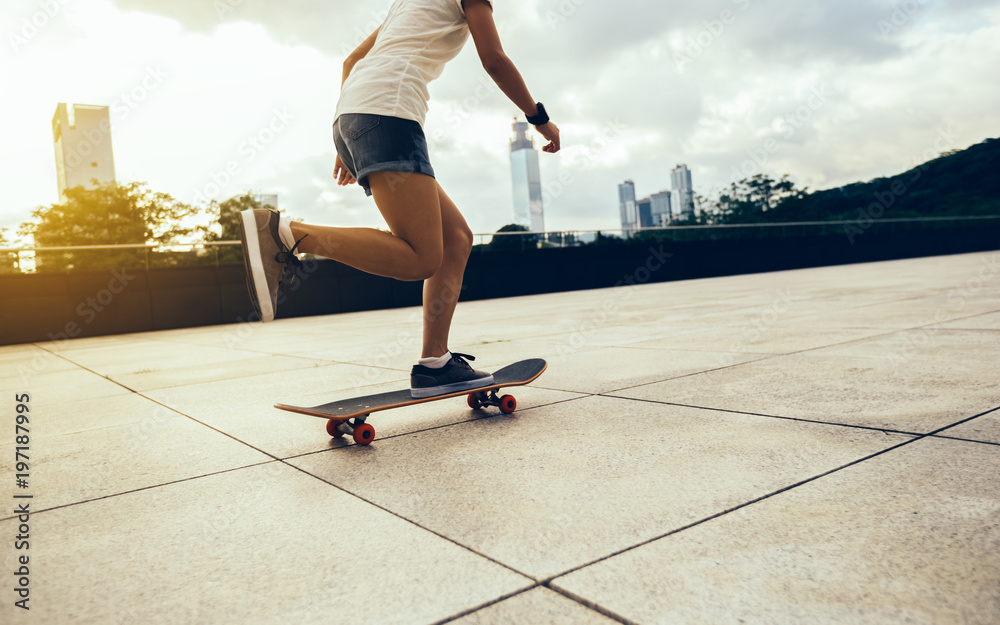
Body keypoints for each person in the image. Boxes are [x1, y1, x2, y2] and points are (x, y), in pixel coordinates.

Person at [238, 0, 560, 398]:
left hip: (357, 115)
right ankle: (287, 232)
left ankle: (435, 363)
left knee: (456, 238)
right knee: (422, 258)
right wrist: (538, 117)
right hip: (388, 113)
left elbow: (353, 59)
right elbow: (493, 60)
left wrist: (348, 135)